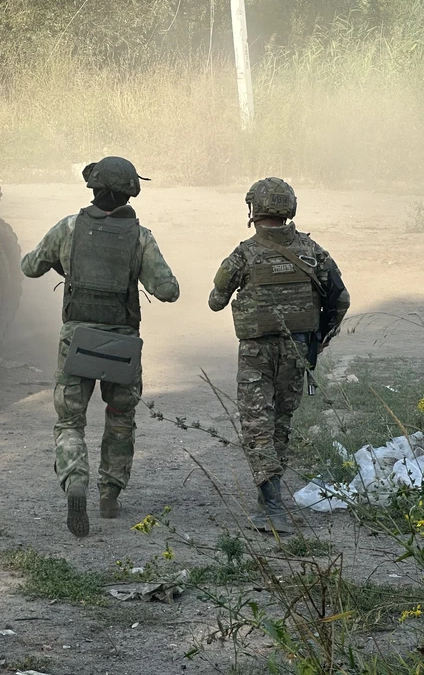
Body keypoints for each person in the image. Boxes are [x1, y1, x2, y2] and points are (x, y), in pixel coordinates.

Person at [22, 157, 180, 537]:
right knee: (120, 418)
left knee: (70, 420)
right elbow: (168, 291)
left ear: (92, 188)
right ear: (129, 193)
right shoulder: (140, 237)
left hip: (76, 342)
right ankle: (109, 496)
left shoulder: (69, 228)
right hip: (121, 345)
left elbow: (30, 266)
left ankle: (76, 481)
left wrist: (67, 265)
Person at [208, 177, 349, 532]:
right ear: (291, 209)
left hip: (256, 351)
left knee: (258, 422)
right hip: (297, 349)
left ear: (253, 209)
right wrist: (321, 335)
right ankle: (271, 499)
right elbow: (341, 298)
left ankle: (270, 503)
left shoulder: (243, 254)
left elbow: (215, 301)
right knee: (280, 422)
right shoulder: (312, 251)